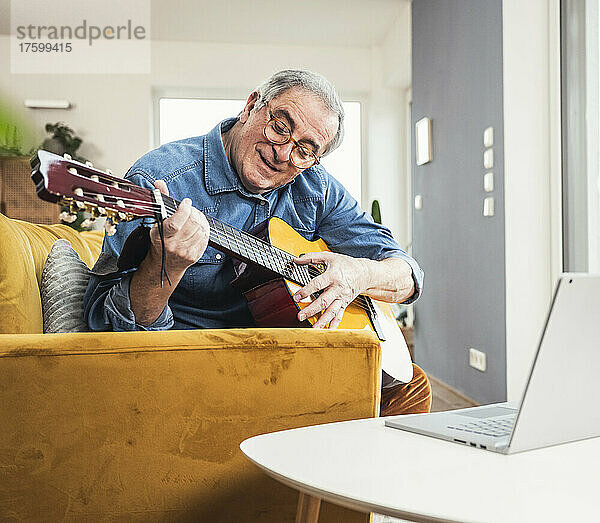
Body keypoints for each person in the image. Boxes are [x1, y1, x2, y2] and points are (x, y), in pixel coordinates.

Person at [84, 69, 431, 415]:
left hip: (290, 361)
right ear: (251, 106)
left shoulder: (315, 186)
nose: (283, 154)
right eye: (280, 127)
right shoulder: (159, 180)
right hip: (200, 366)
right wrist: (166, 267)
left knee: (409, 388)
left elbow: (408, 274)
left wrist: (360, 276)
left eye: (305, 150)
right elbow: (109, 327)